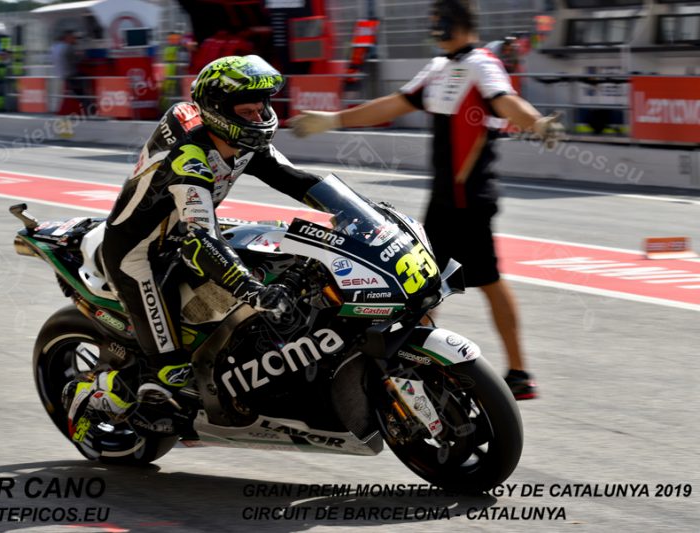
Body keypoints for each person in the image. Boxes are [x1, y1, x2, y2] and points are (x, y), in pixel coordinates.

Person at [289, 0, 565, 400]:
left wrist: (535, 122)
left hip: (470, 199)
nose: (435, 28)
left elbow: (505, 101)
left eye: (440, 22)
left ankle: (518, 373)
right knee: (422, 282)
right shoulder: (439, 68)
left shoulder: (482, 63)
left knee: (481, 280)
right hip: (443, 201)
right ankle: (421, 362)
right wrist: (335, 120)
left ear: (458, 21)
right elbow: (393, 104)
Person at [65, 55, 322, 435]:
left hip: (182, 237)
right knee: (169, 370)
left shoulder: (242, 139)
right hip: (140, 255)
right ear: (219, 111)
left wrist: (359, 211)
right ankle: (96, 398)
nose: (259, 116)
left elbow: (297, 180)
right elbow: (201, 239)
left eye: (262, 106)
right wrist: (254, 292)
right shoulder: (189, 155)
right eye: (248, 109)